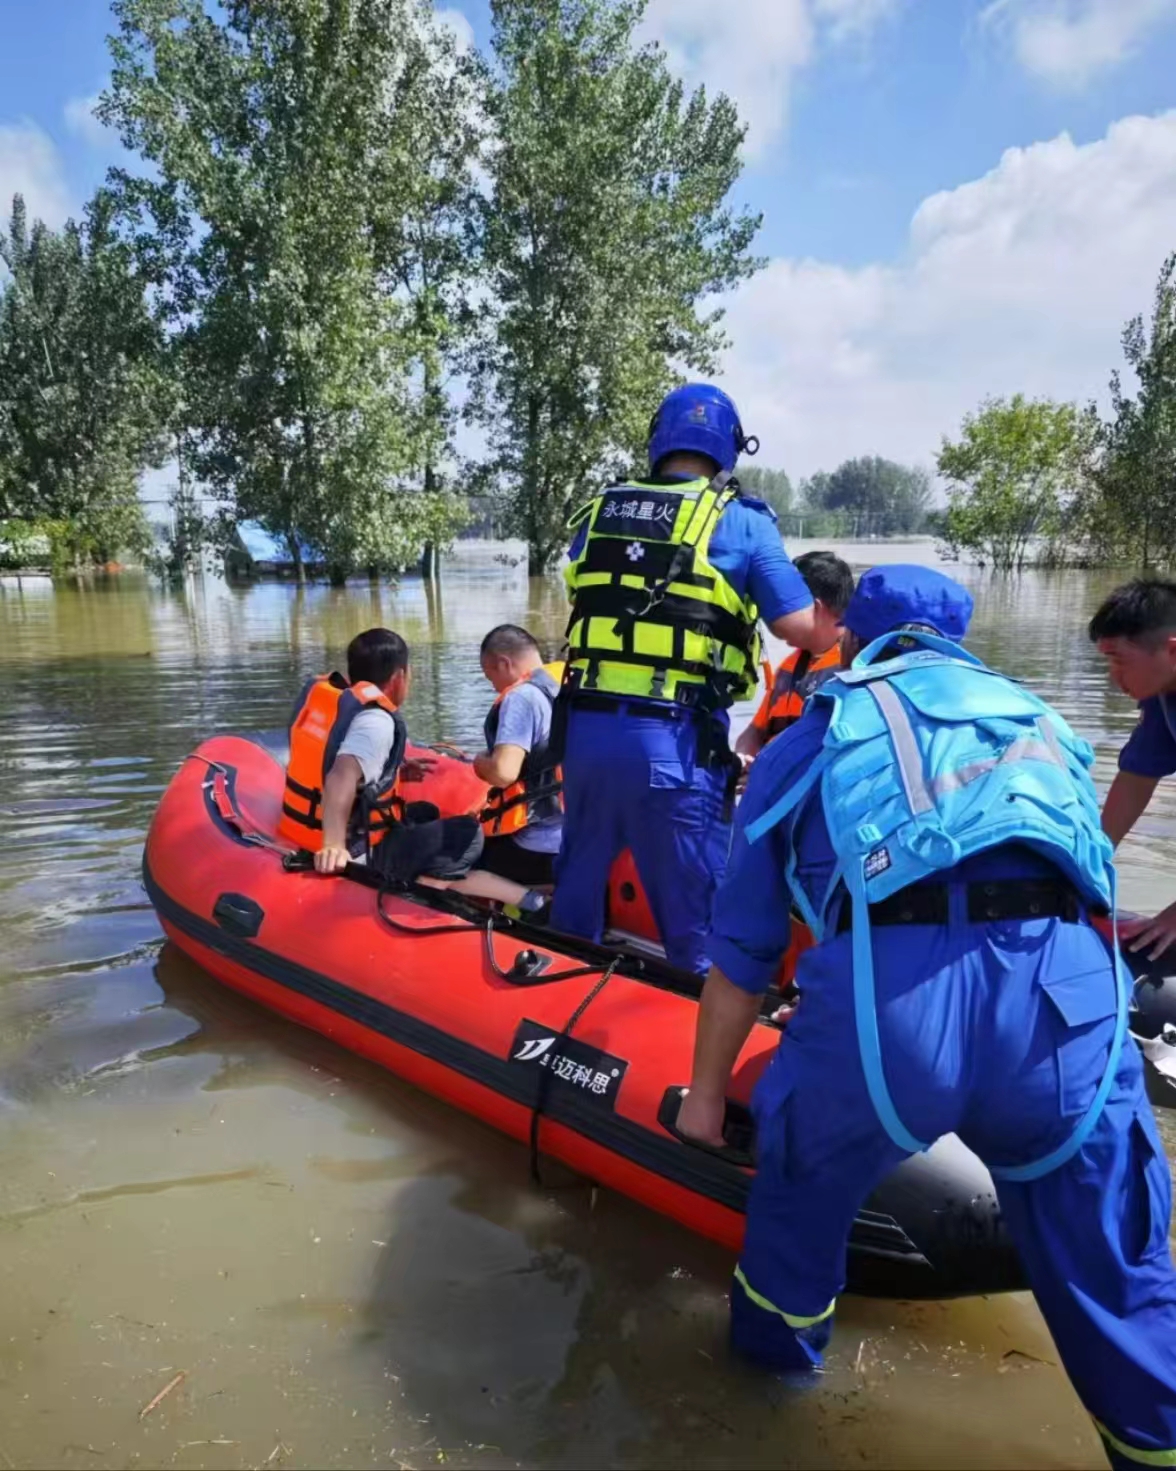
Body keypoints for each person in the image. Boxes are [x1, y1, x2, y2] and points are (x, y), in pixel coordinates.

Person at [678, 565, 1176, 1470]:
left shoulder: (820, 727)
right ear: (960, 638)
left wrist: (706, 1099)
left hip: (894, 1010)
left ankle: (764, 1412)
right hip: (1070, 1001)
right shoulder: (1041, 723)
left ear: (855, 639)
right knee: (1122, 1275)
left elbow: (743, 951)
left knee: (797, 1210)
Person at [551, 382, 820, 974]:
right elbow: (801, 627)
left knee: (577, 883)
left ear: (658, 440)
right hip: (673, 743)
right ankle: (696, 1033)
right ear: (729, 447)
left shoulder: (600, 511)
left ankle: (556, 995)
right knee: (696, 913)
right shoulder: (742, 522)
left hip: (586, 735)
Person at [278, 627, 485, 884]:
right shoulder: (376, 722)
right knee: (467, 832)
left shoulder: (339, 702)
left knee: (425, 812)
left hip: (301, 828)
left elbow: (335, 758)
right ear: (399, 676)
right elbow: (340, 775)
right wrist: (333, 845)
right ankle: (426, 889)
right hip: (360, 850)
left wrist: (395, 769)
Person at [1090, 579, 1176, 962]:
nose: (1113, 677)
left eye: (1119, 660)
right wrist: (1085, 866)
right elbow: (1135, 782)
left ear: (1172, 651)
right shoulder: (1162, 697)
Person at [735, 550, 854, 762]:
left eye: (783, 607)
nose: (775, 619)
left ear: (814, 607)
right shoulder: (789, 668)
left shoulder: (855, 669)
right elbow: (756, 730)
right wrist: (743, 757)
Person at [475, 623, 564, 888]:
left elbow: (503, 773)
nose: (494, 688)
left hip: (538, 847)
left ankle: (530, 904)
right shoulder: (566, 686)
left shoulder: (522, 698)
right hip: (579, 837)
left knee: (451, 860)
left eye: (490, 677)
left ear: (504, 663)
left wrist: (480, 763)